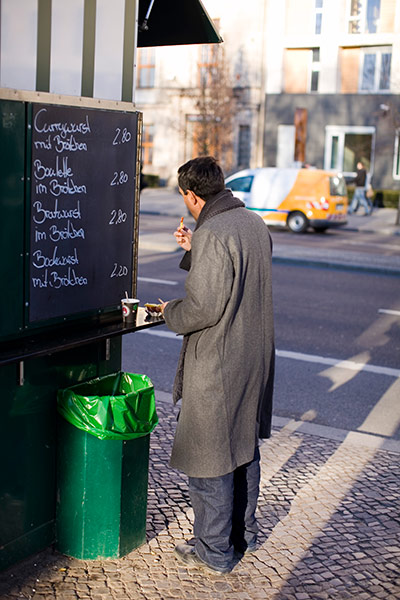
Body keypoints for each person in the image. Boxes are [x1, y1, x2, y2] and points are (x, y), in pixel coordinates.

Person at [160, 156, 275, 575]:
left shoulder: (213, 232)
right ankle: (241, 535)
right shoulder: (253, 223)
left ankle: (213, 551)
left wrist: (169, 310)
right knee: (243, 447)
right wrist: (196, 249)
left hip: (220, 361)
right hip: (253, 356)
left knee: (210, 455)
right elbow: (237, 273)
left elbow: (203, 307)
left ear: (192, 196)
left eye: (184, 198)